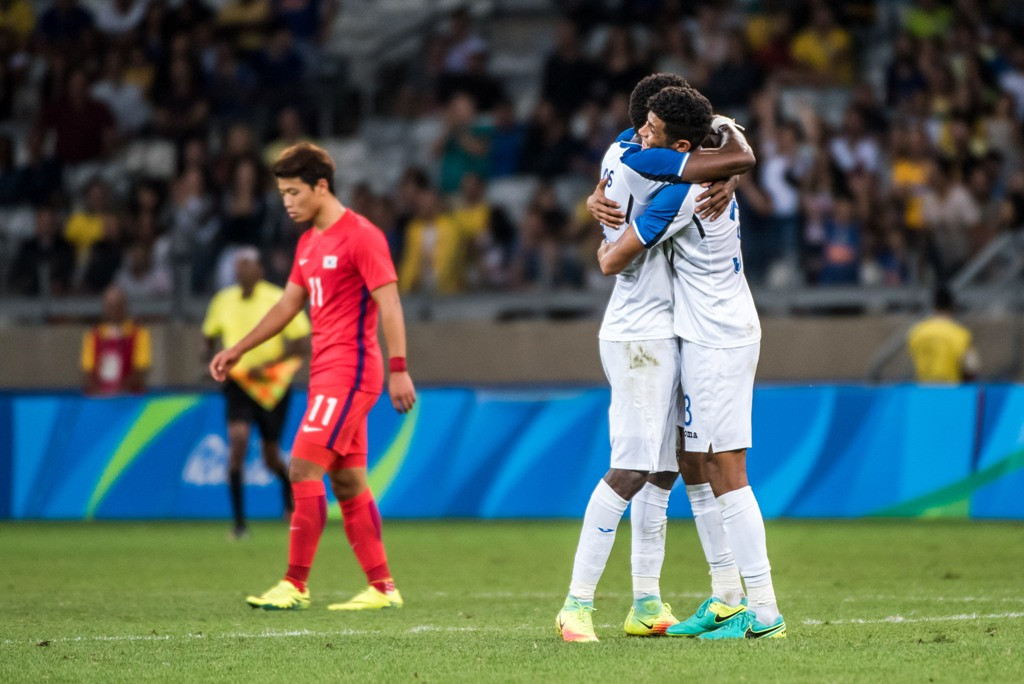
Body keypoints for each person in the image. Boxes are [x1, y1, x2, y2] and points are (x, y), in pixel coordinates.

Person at [556, 74, 755, 643]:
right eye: (646, 127)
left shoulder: (627, 149)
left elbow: (706, 160)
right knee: (632, 468)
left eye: (654, 131)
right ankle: (576, 604)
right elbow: (715, 163)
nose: (645, 136)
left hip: (671, 330)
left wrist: (728, 175)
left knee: (663, 471)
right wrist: (730, 170)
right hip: (637, 332)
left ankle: (646, 601)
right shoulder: (646, 161)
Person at [597, 86, 786, 639]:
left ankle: (767, 613)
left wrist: (604, 225)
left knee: (728, 469)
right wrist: (596, 200)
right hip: (703, 334)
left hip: (720, 338)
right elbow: (723, 152)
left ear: (681, 146)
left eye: (652, 130)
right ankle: (727, 598)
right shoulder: (702, 175)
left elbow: (613, 258)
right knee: (693, 461)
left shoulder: (684, 194)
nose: (640, 136)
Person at [210, 143, 416, 612]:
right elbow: (286, 307)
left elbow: (390, 304)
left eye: (294, 191)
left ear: (321, 187)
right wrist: (239, 349)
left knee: (302, 467)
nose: (287, 202)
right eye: (282, 193)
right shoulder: (308, 243)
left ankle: (294, 583)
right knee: (346, 482)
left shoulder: (362, 236)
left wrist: (399, 369)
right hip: (326, 375)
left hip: (351, 373)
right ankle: (383, 587)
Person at [202, 247, 311, 540]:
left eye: (247, 266)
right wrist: (208, 361)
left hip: (271, 385)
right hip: (238, 383)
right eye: (238, 267)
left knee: (270, 456)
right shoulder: (223, 301)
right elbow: (208, 336)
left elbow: (301, 342)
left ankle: (288, 492)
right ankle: (239, 524)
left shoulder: (277, 297)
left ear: (260, 270)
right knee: (237, 443)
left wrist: (270, 365)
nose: (241, 271)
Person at [81, 285, 151, 396]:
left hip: (129, 400)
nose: (113, 310)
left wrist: (118, 392)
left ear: (124, 306)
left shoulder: (138, 334)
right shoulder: (94, 335)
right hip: (100, 398)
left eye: (117, 305)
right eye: (109, 305)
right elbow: (87, 371)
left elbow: (141, 370)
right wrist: (102, 392)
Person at [907, 287, 979, 383]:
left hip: (923, 391)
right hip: (950, 391)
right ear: (952, 305)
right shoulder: (959, 334)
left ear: (933, 304)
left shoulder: (917, 332)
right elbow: (971, 368)